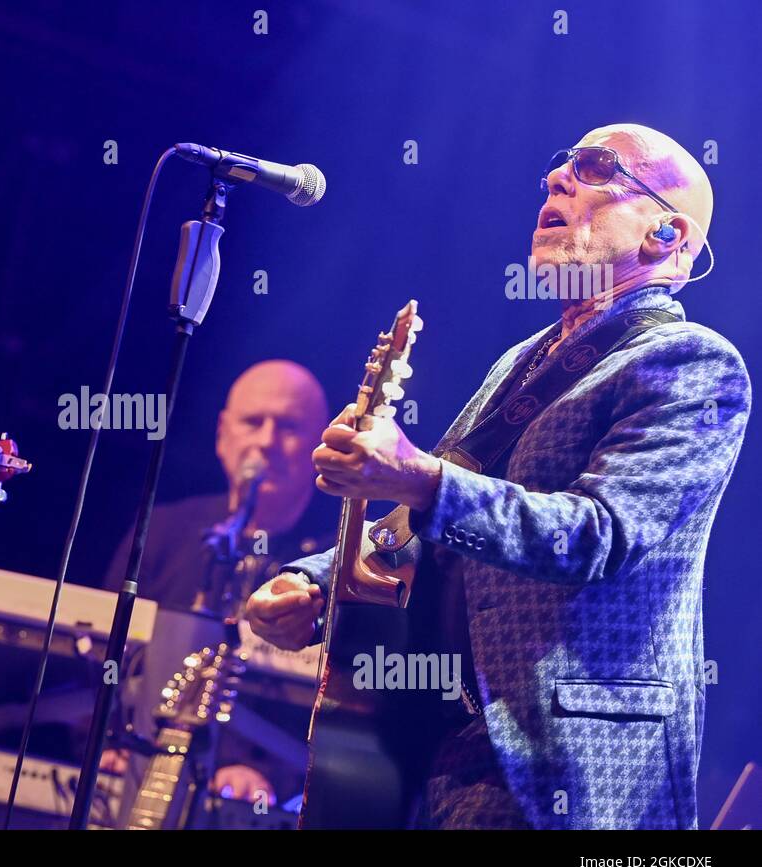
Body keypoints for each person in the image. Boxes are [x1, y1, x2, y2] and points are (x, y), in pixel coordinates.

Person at [247, 124, 750, 829]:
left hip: (566, 760)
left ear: (668, 236)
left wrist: (417, 478)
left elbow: (600, 536)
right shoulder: (522, 359)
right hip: (441, 745)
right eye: (558, 167)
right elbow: (431, 523)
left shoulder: (692, 363)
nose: (558, 179)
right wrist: (318, 577)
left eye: (598, 168)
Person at [102, 359, 331, 819]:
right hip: (136, 766)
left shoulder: (335, 555)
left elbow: (345, 704)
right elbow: (99, 658)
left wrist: (264, 774)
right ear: (223, 434)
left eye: (288, 426)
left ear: (318, 443)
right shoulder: (163, 530)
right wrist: (112, 743)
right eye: (253, 422)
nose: (266, 441)